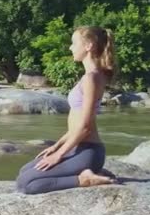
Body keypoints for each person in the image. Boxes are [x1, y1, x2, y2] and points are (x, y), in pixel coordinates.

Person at [15, 26, 117, 194]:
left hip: (88, 150)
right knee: (24, 172)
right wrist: (56, 146)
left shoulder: (92, 78)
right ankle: (89, 172)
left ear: (88, 45)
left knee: (26, 184)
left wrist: (59, 155)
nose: (70, 48)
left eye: (73, 43)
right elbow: (77, 126)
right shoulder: (89, 76)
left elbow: (85, 127)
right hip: (78, 148)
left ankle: (84, 179)